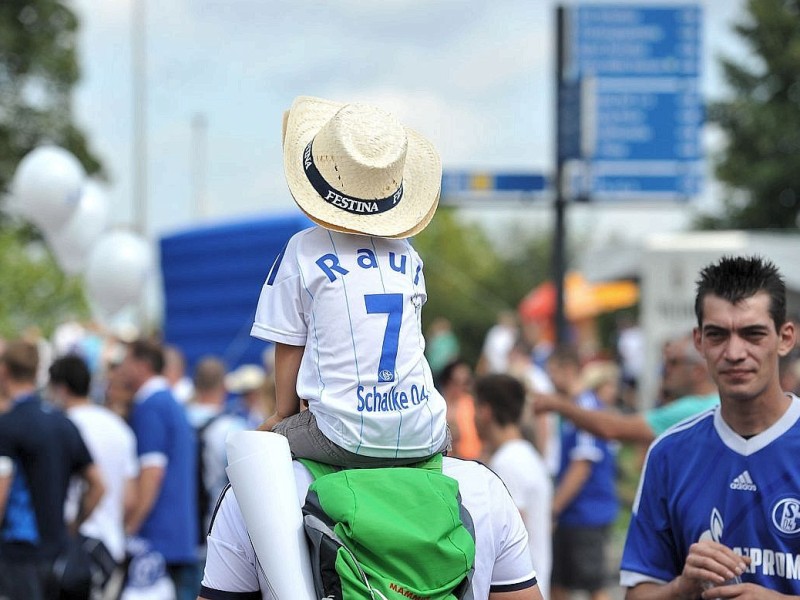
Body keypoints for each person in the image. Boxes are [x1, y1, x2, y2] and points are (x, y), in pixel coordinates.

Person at [250, 95, 448, 467]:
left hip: (341, 435)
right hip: (426, 431)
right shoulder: (407, 254)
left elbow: (290, 344)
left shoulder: (303, 249)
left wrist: (282, 414)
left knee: (251, 456)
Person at [621, 255, 800, 599]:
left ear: (785, 337)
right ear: (699, 341)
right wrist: (681, 587)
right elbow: (637, 593)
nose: (734, 352)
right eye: (718, 335)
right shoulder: (670, 453)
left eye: (753, 334)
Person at [0, 339, 105, 600]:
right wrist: (73, 526)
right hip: (58, 552)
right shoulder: (62, 423)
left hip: (18, 553)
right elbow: (98, 485)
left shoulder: (7, 426)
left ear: (4, 371)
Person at [48, 354, 139, 587]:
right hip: (111, 549)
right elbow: (129, 499)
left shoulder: (60, 426)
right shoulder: (119, 428)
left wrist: (75, 525)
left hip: (71, 551)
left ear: (61, 388)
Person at [534, 333, 719, 444]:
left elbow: (613, 429)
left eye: (673, 362)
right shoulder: (717, 404)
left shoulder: (693, 410)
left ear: (698, 371)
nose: (665, 369)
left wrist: (558, 405)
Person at [121, 338, 199, 600]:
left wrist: (130, 527)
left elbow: (152, 473)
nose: (121, 368)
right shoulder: (169, 402)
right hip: (177, 536)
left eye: (126, 361)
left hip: (157, 539)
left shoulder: (150, 405)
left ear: (142, 366)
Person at [546, 344, 618, 600]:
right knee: (560, 583)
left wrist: (554, 507)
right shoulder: (577, 407)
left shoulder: (585, 408)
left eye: (552, 372)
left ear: (568, 369)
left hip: (586, 513)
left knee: (593, 585)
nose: (550, 380)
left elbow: (582, 466)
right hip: (577, 513)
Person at [473, 373, 553, 600]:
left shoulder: (507, 463)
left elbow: (503, 538)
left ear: (485, 411)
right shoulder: (526, 454)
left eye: (475, 407)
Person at [186, 357, 247, 536]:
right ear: (224, 385)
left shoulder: (180, 420)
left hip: (181, 526)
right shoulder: (233, 427)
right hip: (216, 524)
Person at [436, 358, 483, 460]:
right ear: (447, 382)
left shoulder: (472, 405)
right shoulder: (436, 407)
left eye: (467, 381)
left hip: (475, 461)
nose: (465, 387)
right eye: (461, 382)